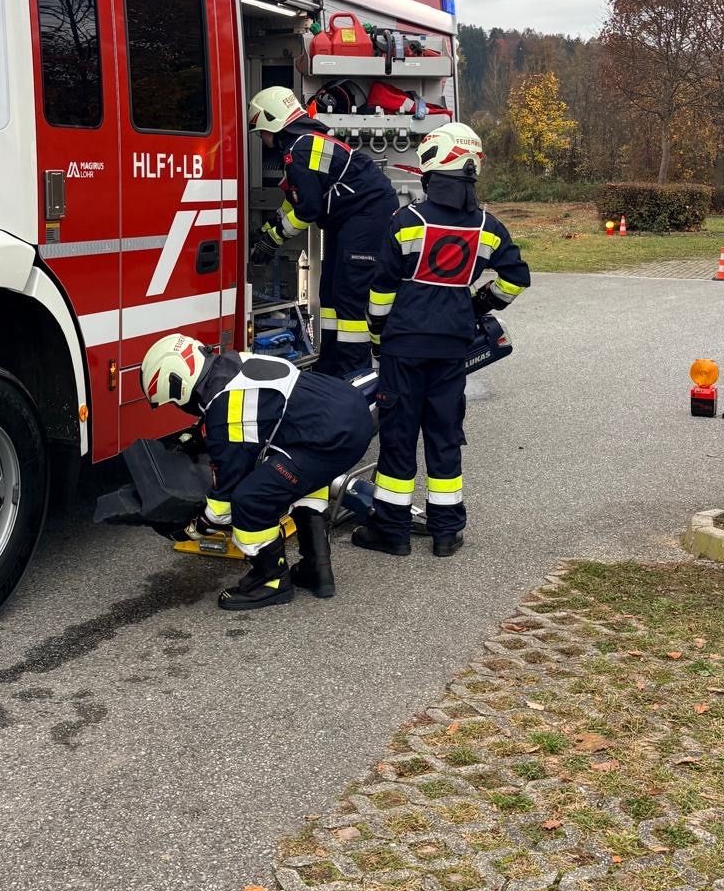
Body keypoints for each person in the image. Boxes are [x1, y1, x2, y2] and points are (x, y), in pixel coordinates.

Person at [352, 121, 530, 558]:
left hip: (403, 348)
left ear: (432, 166)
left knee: (398, 436)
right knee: (444, 435)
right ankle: (447, 531)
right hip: (452, 348)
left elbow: (380, 292)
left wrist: (377, 337)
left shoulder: (406, 221)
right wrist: (479, 303)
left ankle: (391, 532)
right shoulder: (489, 227)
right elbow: (516, 279)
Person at [140, 333, 374, 610]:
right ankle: (317, 569)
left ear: (178, 386)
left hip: (331, 438)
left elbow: (224, 500)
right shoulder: (231, 363)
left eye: (173, 403)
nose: (180, 409)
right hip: (342, 416)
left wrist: (192, 529)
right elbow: (258, 413)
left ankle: (272, 581)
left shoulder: (226, 407)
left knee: (251, 498)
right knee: (294, 478)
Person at [248, 87, 397, 377]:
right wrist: (265, 231)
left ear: (274, 122)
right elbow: (294, 203)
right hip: (350, 218)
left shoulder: (299, 150)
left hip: (366, 214)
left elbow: (308, 211)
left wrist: (272, 240)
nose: (263, 140)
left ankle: (355, 373)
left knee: (349, 296)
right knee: (328, 293)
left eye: (262, 132)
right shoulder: (303, 145)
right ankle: (329, 367)